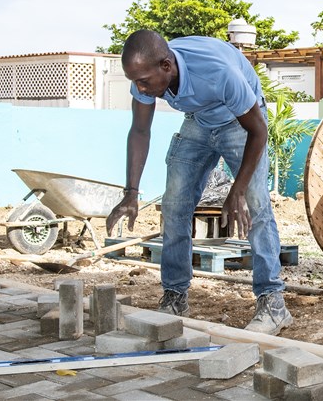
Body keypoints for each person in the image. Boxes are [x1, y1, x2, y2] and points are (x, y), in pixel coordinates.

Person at [106, 30, 292, 335]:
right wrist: (131, 192)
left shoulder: (217, 73)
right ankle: (175, 296)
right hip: (199, 121)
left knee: (256, 207)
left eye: (143, 81)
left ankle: (273, 303)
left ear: (166, 66)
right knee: (175, 205)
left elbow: (258, 130)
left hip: (241, 121)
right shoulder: (148, 71)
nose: (139, 88)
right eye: (135, 81)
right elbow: (140, 131)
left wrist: (238, 189)